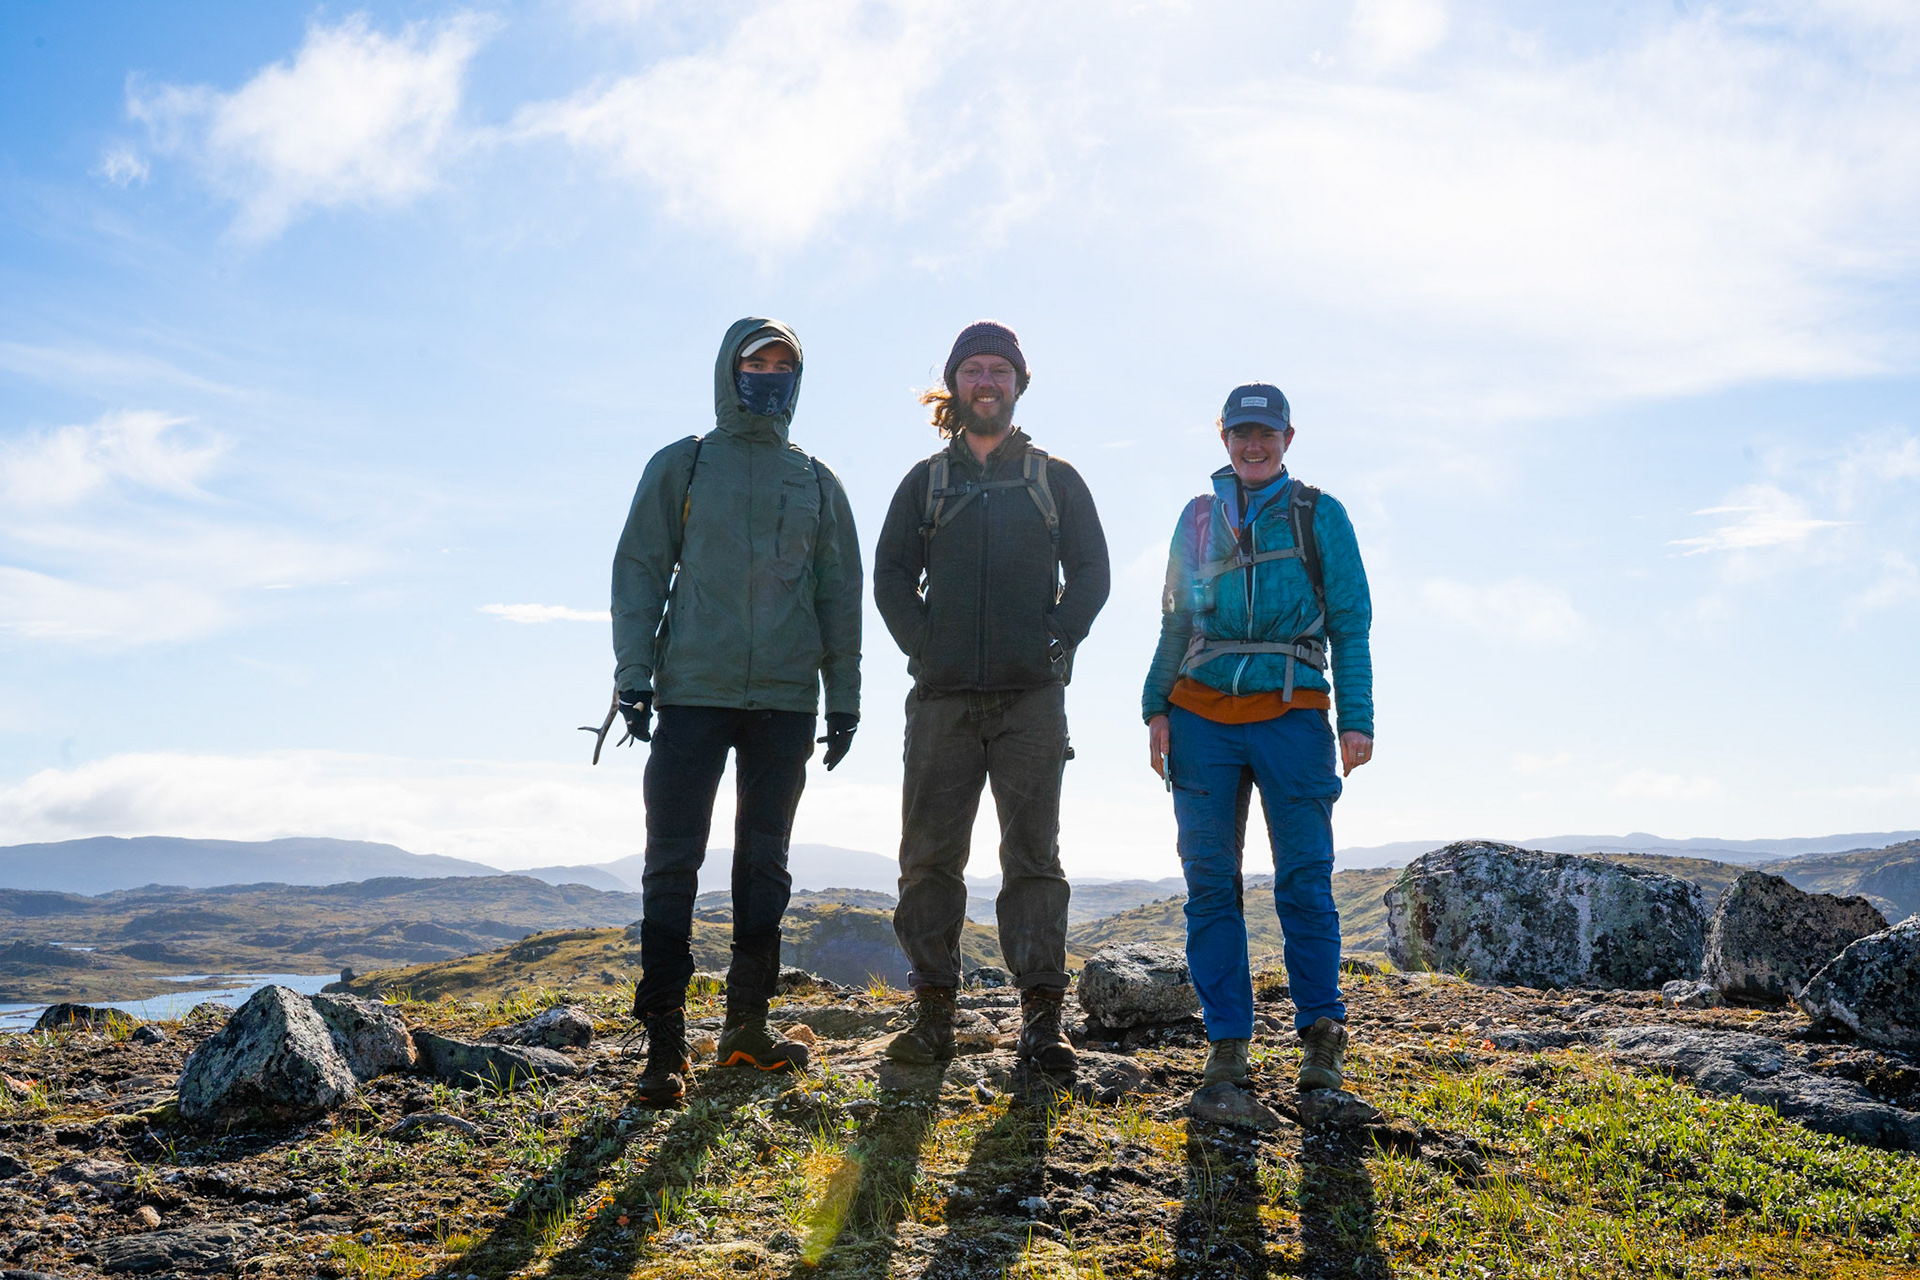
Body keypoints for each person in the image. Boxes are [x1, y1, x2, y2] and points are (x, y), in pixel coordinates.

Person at [610, 317, 863, 1105]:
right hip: (691, 695)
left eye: (784, 364)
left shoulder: (816, 480)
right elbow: (640, 568)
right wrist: (633, 675)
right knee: (671, 866)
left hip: (785, 704)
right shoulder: (684, 465)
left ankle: (744, 1031)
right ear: (731, 370)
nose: (770, 375)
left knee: (764, 870)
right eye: (757, 362)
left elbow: (839, 597)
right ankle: (664, 1048)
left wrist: (845, 699)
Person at [873, 320, 1111, 1072]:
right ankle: (933, 1014)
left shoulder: (1055, 479)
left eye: (999, 370)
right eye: (973, 369)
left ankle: (1042, 1022)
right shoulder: (925, 483)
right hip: (941, 701)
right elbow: (887, 580)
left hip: (1031, 702)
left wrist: (1054, 644)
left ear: (1019, 384)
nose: (986, 381)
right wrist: (925, 646)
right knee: (929, 861)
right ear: (955, 384)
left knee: (1033, 859)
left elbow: (1093, 576)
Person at [1139, 382, 1373, 1097]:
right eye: (1241, 432)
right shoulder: (1198, 517)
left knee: (1304, 880)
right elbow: (1175, 620)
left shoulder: (1318, 514)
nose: (1253, 445)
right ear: (1223, 438)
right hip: (1201, 716)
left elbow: (1351, 620)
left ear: (1288, 440)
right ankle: (1227, 1050)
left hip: (1293, 710)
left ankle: (1321, 1040)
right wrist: (1155, 707)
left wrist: (1356, 716)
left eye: (1266, 433)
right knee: (1210, 886)